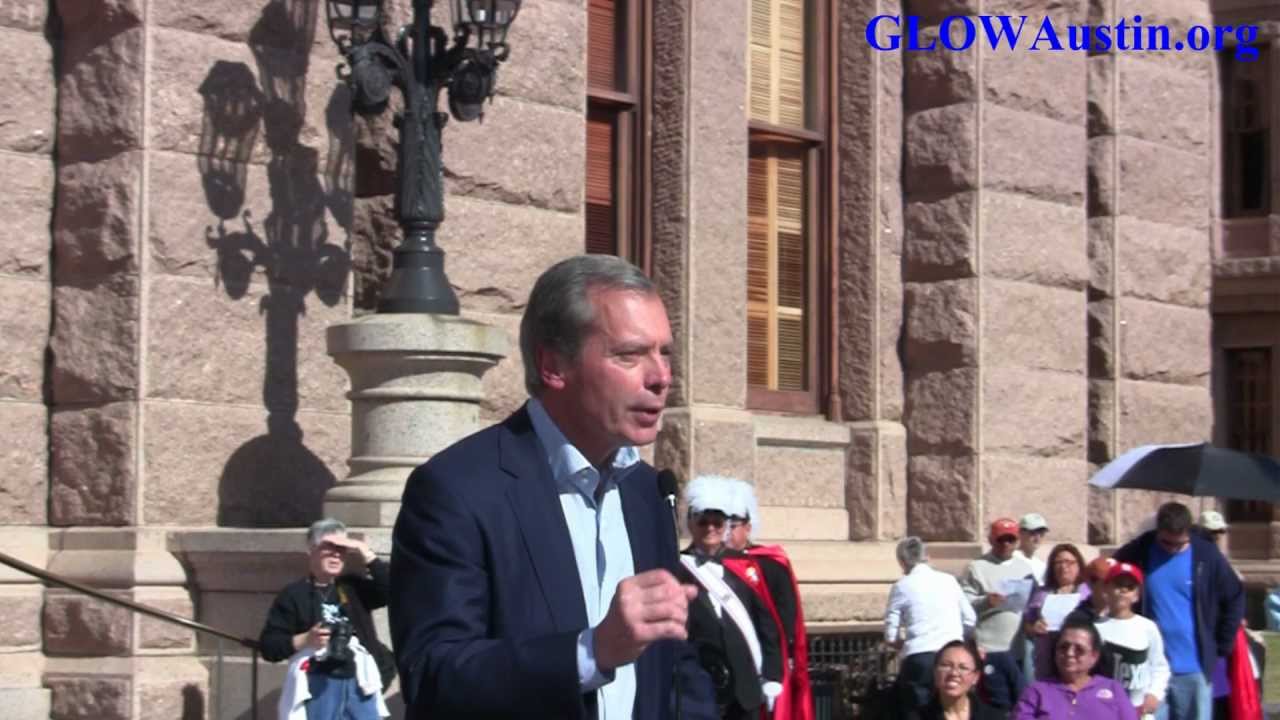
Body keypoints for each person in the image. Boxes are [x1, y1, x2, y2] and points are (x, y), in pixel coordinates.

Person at [389, 255, 715, 719]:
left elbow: (675, 664)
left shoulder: (648, 492)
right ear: (554, 366)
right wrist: (591, 652)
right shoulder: (456, 490)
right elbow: (433, 673)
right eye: (629, 354)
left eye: (664, 352)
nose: (661, 377)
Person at [1112, 501, 1245, 720]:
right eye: (1166, 542)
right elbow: (1109, 572)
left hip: (1194, 668)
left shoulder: (1206, 555)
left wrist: (1222, 645)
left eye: (1179, 544)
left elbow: (1234, 597)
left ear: (1189, 533)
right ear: (1157, 531)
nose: (1172, 549)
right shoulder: (1141, 550)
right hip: (1151, 671)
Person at [259, 519, 394, 720]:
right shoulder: (294, 595)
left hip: (360, 683)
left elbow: (393, 591)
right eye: (329, 547)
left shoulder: (352, 587)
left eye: (342, 548)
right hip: (319, 683)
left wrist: (366, 552)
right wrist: (306, 639)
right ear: (311, 550)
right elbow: (269, 646)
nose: (336, 554)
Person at [678, 476, 783, 719]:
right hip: (700, 689)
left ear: (726, 525)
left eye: (717, 522)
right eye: (703, 521)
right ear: (691, 523)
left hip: (746, 690)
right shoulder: (677, 568)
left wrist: (772, 675)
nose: (710, 528)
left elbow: (766, 625)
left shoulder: (745, 567)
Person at [720, 477, 813, 720]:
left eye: (733, 525)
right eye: (722, 524)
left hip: (763, 662)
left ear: (748, 527)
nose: (726, 532)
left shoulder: (770, 564)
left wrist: (777, 667)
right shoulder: (704, 563)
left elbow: (786, 617)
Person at [884, 536, 976, 712]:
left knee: (917, 711)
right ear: (927, 556)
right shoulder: (949, 580)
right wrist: (958, 640)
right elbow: (970, 619)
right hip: (951, 655)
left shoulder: (902, 586)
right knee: (952, 709)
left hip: (919, 657)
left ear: (902, 562)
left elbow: (890, 634)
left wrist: (900, 644)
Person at [960, 517, 1037, 707]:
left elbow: (1032, 602)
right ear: (991, 540)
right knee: (996, 705)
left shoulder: (1025, 568)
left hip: (1016, 649)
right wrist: (986, 602)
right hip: (989, 649)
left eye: (1011, 539)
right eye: (1001, 539)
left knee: (1020, 702)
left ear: (1017, 541)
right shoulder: (976, 567)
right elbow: (964, 604)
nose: (1006, 544)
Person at [1012, 619, 1137, 719]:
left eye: (1079, 649)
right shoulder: (1037, 691)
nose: (1069, 653)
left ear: (1094, 657)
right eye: (1063, 647)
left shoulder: (1113, 689)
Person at [1095, 562, 1170, 720]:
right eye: (1118, 585)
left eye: (1129, 587)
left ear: (1136, 595)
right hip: (1106, 708)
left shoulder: (1147, 627)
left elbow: (1160, 666)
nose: (1123, 590)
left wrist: (1154, 694)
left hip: (1139, 708)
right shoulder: (1096, 628)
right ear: (1106, 590)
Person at [1020, 543, 1089, 681]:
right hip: (1046, 658)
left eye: (1069, 562)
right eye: (1058, 562)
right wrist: (1034, 628)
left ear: (1079, 565)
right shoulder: (1041, 594)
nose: (1063, 566)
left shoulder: (1088, 592)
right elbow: (1027, 625)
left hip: (1077, 656)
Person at [904, 640, 1005, 720]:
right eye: (946, 666)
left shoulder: (994, 717)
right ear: (935, 672)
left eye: (963, 668)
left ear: (976, 677)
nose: (954, 673)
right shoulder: (916, 717)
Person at [1015, 514, 1049, 584]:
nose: (1038, 538)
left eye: (1041, 533)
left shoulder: (1042, 566)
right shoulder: (1011, 560)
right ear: (1020, 533)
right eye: (1033, 533)